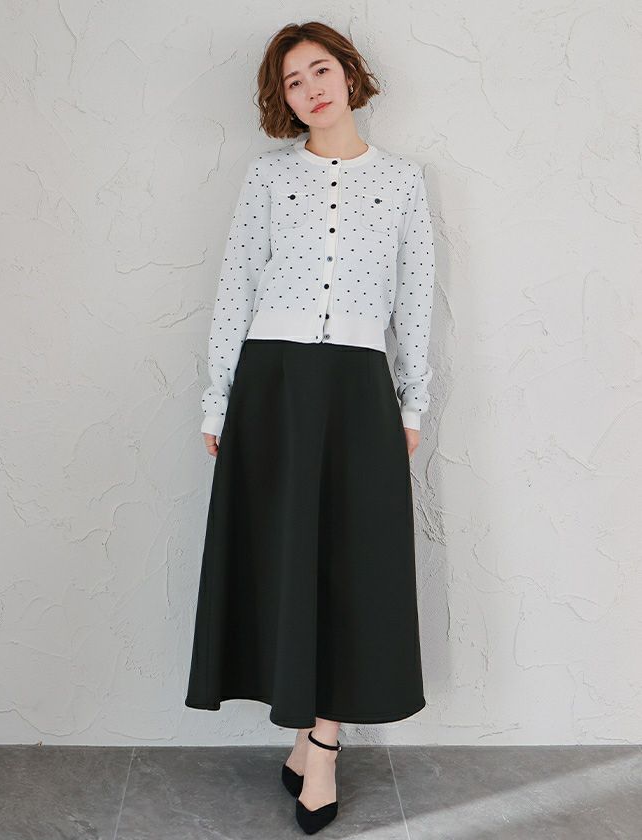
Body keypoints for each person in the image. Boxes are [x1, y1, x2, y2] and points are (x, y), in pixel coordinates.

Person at [185, 20, 436, 835]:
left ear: (349, 74)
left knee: (350, 562)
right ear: (283, 100)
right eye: (293, 81)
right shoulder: (268, 177)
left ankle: (319, 740)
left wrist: (411, 403)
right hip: (274, 384)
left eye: (319, 70)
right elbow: (236, 283)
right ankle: (313, 740)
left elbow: (415, 296)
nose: (310, 89)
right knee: (287, 557)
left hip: (358, 388)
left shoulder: (402, 182)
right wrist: (217, 400)